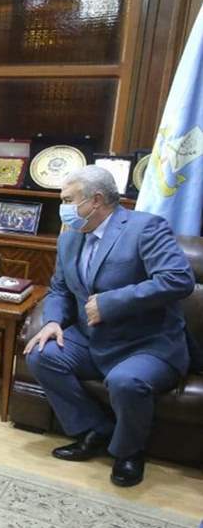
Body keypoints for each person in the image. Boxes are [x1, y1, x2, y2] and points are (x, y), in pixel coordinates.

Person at [23, 165, 193, 487]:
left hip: (146, 343)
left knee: (125, 381)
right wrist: (53, 321)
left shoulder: (145, 228)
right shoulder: (69, 237)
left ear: (96, 200)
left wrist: (111, 302)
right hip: (91, 338)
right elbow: (59, 289)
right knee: (41, 355)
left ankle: (129, 452)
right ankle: (95, 429)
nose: (63, 208)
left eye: (68, 200)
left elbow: (178, 279)